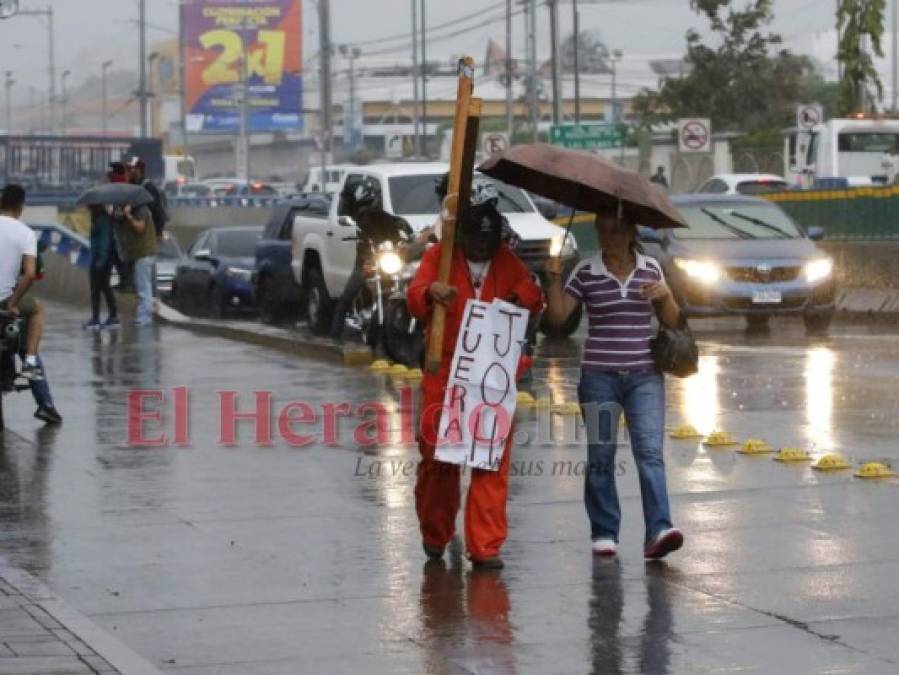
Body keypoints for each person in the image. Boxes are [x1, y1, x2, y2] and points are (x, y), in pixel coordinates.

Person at [408, 200, 543, 569]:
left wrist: (521, 297)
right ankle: (435, 533)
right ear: (462, 235)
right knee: (439, 461)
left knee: (490, 463)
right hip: (446, 372)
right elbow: (415, 297)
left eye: (488, 239)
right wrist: (430, 292)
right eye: (475, 238)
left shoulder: (506, 262)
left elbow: (533, 294)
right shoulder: (440, 256)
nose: (482, 246)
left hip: (491, 378)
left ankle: (485, 547)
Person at [544, 206, 684, 560]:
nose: (610, 236)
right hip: (599, 378)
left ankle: (659, 529)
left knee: (650, 453)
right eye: (603, 229)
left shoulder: (650, 268)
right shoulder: (586, 271)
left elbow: (673, 320)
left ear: (631, 232)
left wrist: (665, 296)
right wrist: (552, 279)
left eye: (617, 229)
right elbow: (560, 317)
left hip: (644, 376)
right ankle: (604, 532)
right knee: (601, 456)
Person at [0, 184, 62, 424]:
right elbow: (29, 273)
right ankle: (42, 397)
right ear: (21, 207)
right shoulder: (25, 233)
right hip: (6, 299)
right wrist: (14, 302)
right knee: (36, 313)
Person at [329, 177, 413, 341]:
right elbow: (360, 238)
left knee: (410, 284)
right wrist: (364, 250)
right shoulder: (358, 221)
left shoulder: (384, 217)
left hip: (389, 261)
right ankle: (335, 334)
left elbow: (401, 225)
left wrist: (409, 236)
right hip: (367, 262)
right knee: (347, 295)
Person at [114, 202, 157, 326]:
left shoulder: (141, 210)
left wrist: (128, 215)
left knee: (144, 286)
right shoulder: (138, 209)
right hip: (140, 253)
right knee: (142, 285)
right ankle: (142, 315)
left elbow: (140, 227)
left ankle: (145, 317)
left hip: (144, 253)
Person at [83, 205, 119, 330]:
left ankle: (98, 318)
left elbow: (104, 242)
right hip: (103, 259)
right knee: (103, 288)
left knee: (97, 289)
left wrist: (100, 262)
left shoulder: (102, 221)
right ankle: (110, 316)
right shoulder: (101, 219)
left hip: (101, 260)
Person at [124, 155, 168, 239]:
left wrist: (157, 232)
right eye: (126, 169)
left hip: (149, 234)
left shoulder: (148, 187)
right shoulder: (131, 186)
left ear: (138, 169)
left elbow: (156, 211)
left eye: (130, 169)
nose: (127, 172)